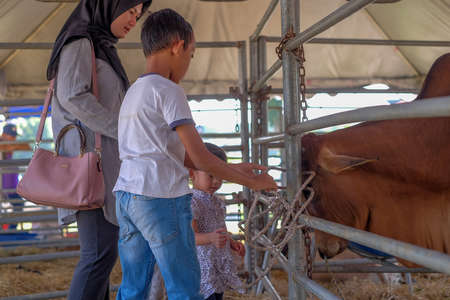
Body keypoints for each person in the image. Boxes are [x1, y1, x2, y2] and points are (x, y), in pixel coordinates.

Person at [113, 8, 277, 300]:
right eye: (191, 54)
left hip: (127, 196)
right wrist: (252, 183)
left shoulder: (135, 91)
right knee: (184, 287)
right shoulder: (169, 90)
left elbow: (170, 153)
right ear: (177, 45)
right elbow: (200, 157)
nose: (189, 62)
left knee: (134, 286)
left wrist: (238, 168)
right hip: (160, 197)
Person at [46, 0, 152, 299]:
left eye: (138, 14)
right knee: (98, 255)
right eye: (130, 10)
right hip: (89, 169)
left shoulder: (100, 46)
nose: (135, 19)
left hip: (102, 168)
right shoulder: (81, 43)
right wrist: (126, 131)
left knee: (102, 256)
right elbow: (73, 96)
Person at [190, 143, 246, 300]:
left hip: (217, 264)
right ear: (192, 173)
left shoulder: (218, 202)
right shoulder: (192, 203)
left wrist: (231, 242)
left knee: (218, 295)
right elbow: (189, 237)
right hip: (201, 268)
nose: (216, 181)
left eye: (220, 176)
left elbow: (220, 229)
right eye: (210, 176)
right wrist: (210, 238)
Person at [0, 124, 27, 229]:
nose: (14, 138)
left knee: (18, 205)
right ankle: (10, 230)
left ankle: (11, 230)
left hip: (11, 185)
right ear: (3, 135)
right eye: (11, 136)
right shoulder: (3, 145)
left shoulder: (9, 145)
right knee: (18, 205)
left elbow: (26, 147)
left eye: (14, 136)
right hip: (4, 185)